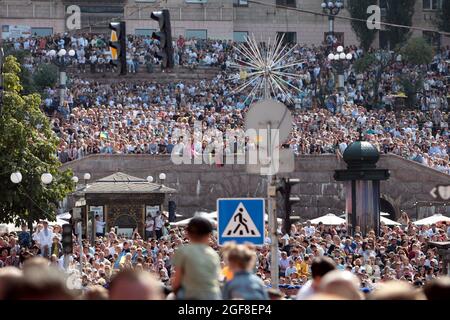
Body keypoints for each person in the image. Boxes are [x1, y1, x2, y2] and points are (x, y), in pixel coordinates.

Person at [172, 217, 222, 300]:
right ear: (209, 235)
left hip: (191, 295)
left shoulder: (183, 251)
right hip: (213, 296)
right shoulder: (214, 254)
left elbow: (177, 280)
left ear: (188, 234)